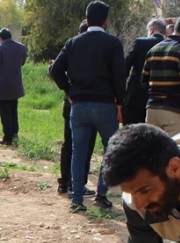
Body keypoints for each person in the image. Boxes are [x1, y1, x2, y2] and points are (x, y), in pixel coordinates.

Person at [50, 1, 125, 212]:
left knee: (78, 152)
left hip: (79, 105)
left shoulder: (73, 42)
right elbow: (120, 76)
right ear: (105, 21)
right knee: (109, 150)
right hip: (105, 105)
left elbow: (56, 70)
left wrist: (70, 91)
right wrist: (120, 102)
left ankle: (76, 200)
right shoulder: (113, 43)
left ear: (87, 18)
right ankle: (101, 195)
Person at [141, 12, 180, 136]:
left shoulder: (154, 49)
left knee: (152, 153)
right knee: (175, 152)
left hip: (152, 110)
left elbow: (144, 81)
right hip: (174, 112)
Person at [56, 21, 97, 197]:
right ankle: (77, 185)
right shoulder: (94, 49)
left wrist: (68, 90)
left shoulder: (71, 46)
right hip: (88, 102)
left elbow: (55, 69)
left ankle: (64, 182)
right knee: (84, 146)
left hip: (71, 101)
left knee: (69, 143)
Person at [122, 18, 167, 126]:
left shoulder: (140, 42)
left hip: (136, 98)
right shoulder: (171, 46)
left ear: (151, 30)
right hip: (161, 101)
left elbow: (126, 65)